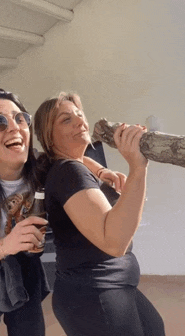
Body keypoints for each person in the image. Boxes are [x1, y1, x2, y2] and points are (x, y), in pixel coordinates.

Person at [0, 87, 125, 336]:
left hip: (24, 264)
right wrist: (6, 245)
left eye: (21, 118)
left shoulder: (40, 165)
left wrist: (102, 173)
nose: (14, 127)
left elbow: (69, 158)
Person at [34, 92, 166, 336]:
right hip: (93, 294)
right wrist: (137, 167)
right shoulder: (69, 172)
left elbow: (78, 158)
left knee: (154, 329)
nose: (80, 123)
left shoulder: (71, 165)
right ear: (48, 137)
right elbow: (113, 242)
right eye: (66, 120)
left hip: (112, 286)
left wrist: (102, 170)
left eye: (79, 115)